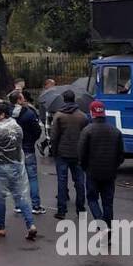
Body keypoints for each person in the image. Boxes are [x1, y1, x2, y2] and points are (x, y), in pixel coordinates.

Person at [0, 101, 38, 240]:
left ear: (2, 115)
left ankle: (0, 227)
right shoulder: (17, 127)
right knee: (21, 196)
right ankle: (30, 224)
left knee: (0, 198)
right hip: (17, 165)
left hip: (2, 166)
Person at [78, 100, 125, 236]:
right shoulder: (115, 131)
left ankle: (101, 223)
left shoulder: (87, 131)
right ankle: (109, 228)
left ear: (92, 113)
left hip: (92, 172)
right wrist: (115, 166)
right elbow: (121, 154)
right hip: (110, 173)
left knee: (92, 199)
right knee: (108, 202)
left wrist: (84, 166)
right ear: (103, 113)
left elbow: (81, 153)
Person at [49, 89, 88, 218]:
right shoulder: (82, 116)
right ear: (74, 99)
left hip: (62, 153)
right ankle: (81, 209)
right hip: (78, 153)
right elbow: (86, 135)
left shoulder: (59, 116)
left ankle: (61, 210)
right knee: (79, 182)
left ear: (64, 100)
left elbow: (54, 136)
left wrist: (54, 151)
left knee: (62, 181)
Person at [10, 90, 44, 215]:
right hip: (28, 149)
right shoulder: (29, 114)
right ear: (18, 100)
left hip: (14, 150)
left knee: (17, 178)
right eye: (22, 98)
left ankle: (18, 205)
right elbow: (37, 131)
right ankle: (35, 205)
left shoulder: (8, 113)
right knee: (32, 178)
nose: (24, 100)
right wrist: (31, 140)